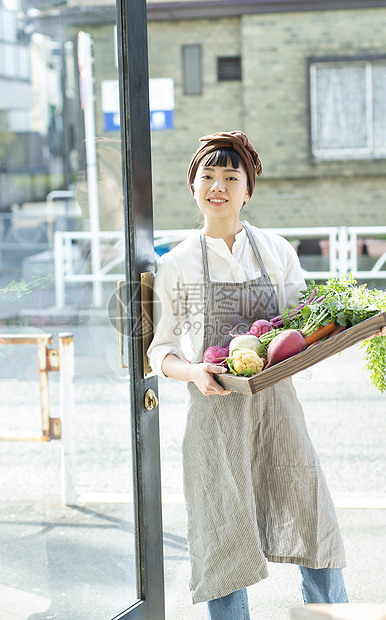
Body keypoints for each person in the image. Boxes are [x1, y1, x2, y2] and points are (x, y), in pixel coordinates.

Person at [147, 131, 349, 619]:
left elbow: (302, 324)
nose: (218, 186)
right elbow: (161, 351)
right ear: (192, 186)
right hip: (215, 416)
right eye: (207, 176)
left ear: (248, 189)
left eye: (230, 177)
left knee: (312, 518)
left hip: (278, 412)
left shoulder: (277, 251)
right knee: (223, 536)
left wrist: (341, 325)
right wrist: (194, 372)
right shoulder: (176, 264)